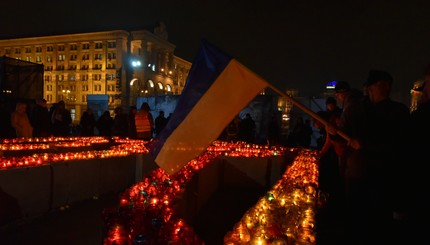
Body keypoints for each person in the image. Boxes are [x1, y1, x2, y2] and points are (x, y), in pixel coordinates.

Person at [327, 71, 410, 245]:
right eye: (381, 84)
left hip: (383, 175)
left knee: (379, 220)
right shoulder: (355, 110)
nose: (386, 88)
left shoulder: (398, 112)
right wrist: (334, 134)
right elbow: (344, 135)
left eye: (388, 85)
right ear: (370, 87)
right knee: (356, 216)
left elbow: (398, 144)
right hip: (357, 172)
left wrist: (366, 145)